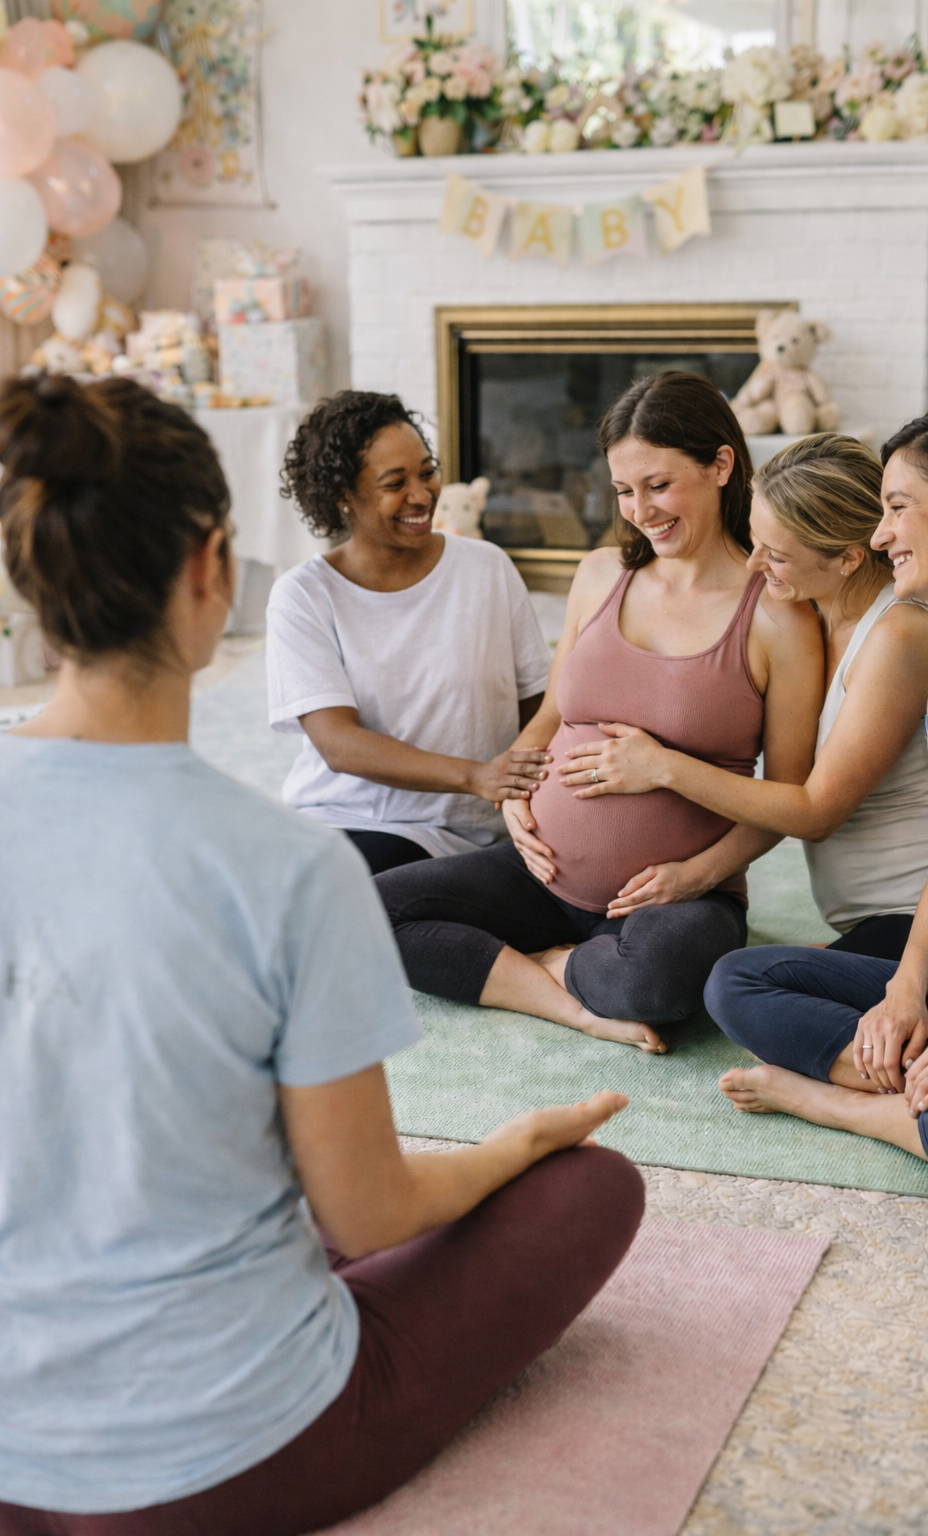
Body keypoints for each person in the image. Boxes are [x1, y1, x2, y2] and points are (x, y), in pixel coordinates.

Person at [0, 375, 644, 1534]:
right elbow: (371, 1215)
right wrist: (511, 1144)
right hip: (221, 1456)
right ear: (211, 571)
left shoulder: (473, 588)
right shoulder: (288, 870)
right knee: (589, 1187)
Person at [376, 372, 823, 1053]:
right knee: (370, 909)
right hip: (542, 870)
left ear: (722, 465)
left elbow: (787, 797)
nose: (640, 510)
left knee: (656, 987)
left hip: (677, 898)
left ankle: (545, 963)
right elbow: (553, 715)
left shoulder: (777, 614)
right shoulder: (600, 573)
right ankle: (560, 988)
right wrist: (514, 798)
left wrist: (691, 859)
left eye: (659, 484)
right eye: (623, 490)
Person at [704, 400, 928, 1202]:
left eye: (896, 509)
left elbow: (816, 803)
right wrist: (905, 991)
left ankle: (841, 1105)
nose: (879, 537)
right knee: (735, 983)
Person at [558, 433, 928, 962]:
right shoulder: (814, 615)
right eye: (755, 543)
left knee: (741, 989)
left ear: (846, 558)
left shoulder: (898, 637)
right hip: (862, 917)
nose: (753, 566)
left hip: (918, 915)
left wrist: (661, 767)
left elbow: (816, 811)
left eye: (775, 555)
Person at [266, 391, 552, 875]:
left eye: (426, 471)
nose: (421, 495)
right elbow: (338, 743)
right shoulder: (303, 595)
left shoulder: (487, 569)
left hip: (454, 832)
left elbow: (542, 705)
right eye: (394, 483)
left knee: (356, 900)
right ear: (343, 496)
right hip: (336, 817)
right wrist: (475, 776)